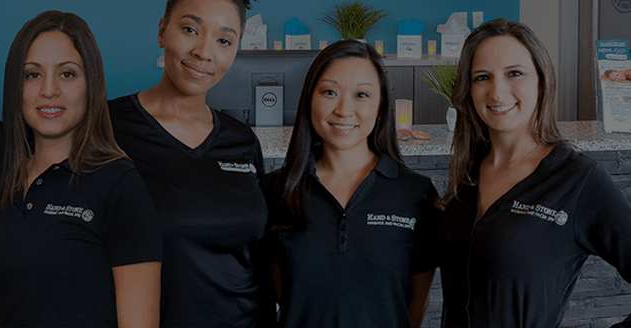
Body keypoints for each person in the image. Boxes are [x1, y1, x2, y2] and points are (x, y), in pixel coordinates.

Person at [0, 10, 162, 328]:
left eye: (67, 74)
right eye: (33, 74)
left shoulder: (119, 187)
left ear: (91, 85)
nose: (49, 90)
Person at [436, 18, 631, 328]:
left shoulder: (577, 180)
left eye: (515, 73)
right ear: (468, 90)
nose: (497, 92)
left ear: (541, 80)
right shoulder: (468, 170)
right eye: (482, 77)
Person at [107, 0, 270, 326]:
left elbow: (259, 256)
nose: (204, 52)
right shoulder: (107, 129)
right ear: (162, 32)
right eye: (190, 29)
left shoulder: (243, 141)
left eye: (223, 40)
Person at [262, 40, 438, 328]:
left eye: (362, 95)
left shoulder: (416, 194)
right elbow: (284, 297)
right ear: (310, 99)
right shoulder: (276, 190)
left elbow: (415, 306)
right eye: (330, 92)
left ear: (381, 106)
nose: (344, 109)